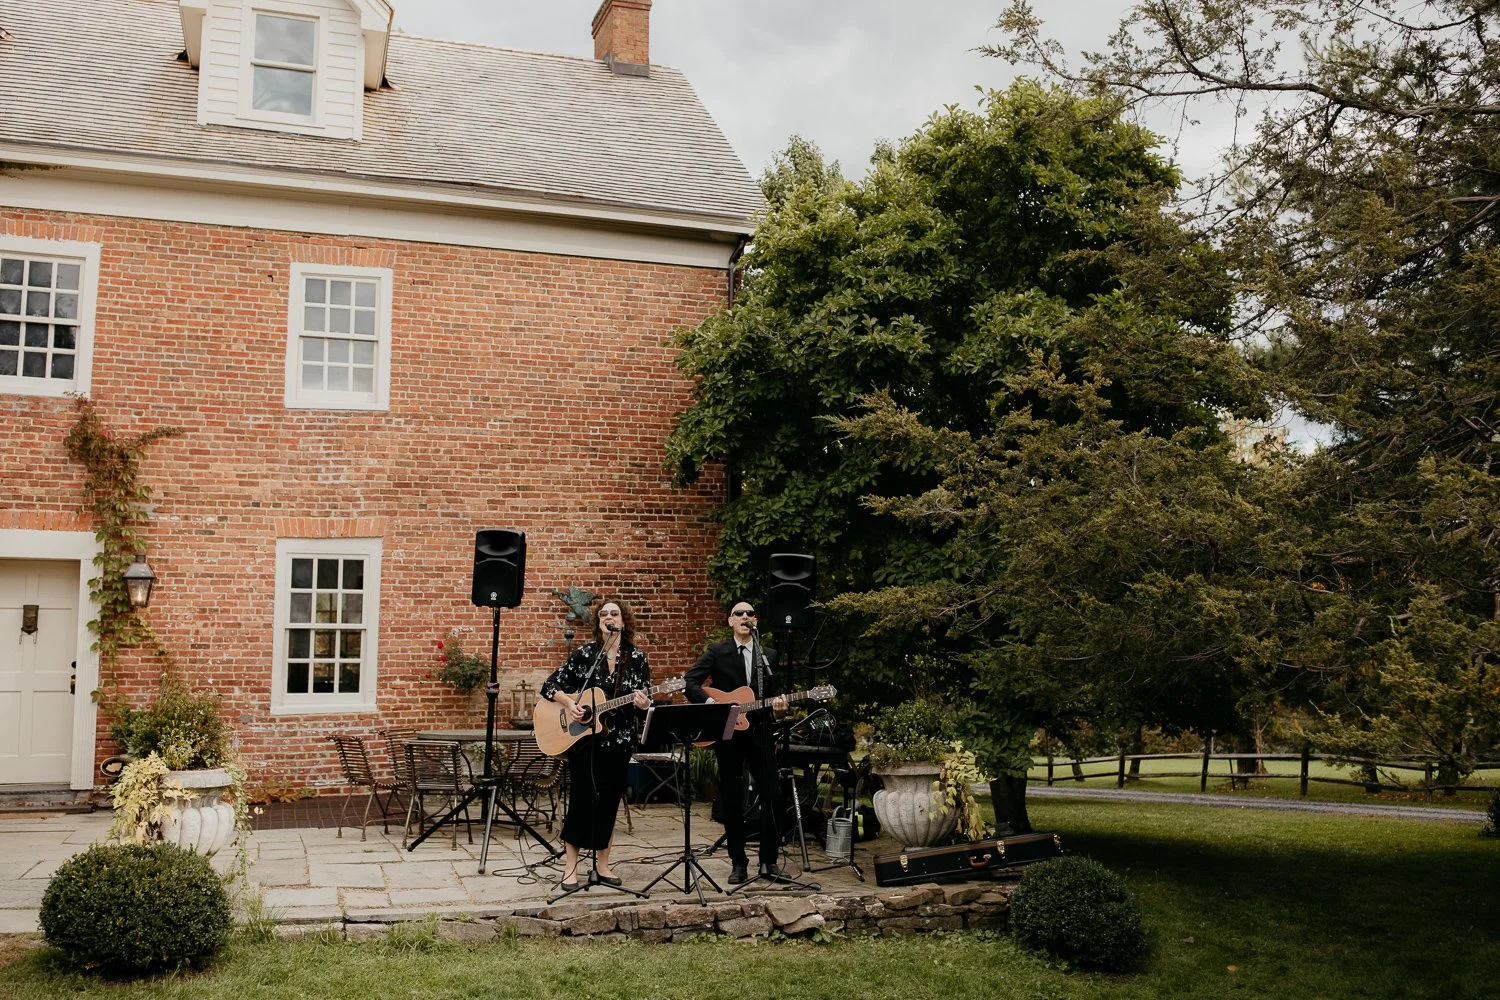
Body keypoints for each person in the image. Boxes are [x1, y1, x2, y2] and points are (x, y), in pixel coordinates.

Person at [538, 599, 651, 891]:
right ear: (598, 622)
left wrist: (644, 702)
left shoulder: (636, 657)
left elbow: (644, 703)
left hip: (620, 741)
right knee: (581, 801)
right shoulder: (585, 654)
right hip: (585, 743)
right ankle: (571, 868)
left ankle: (602, 865)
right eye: (604, 614)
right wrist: (571, 703)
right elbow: (550, 686)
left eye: (615, 613)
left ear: (623, 621)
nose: (609, 617)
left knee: (609, 803)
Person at [685, 600, 789, 884]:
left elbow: (775, 696)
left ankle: (768, 861)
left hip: (760, 733)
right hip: (728, 733)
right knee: (732, 797)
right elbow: (690, 681)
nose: (746, 616)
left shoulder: (769, 655)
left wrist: (779, 709)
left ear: (756, 622)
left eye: (751, 613)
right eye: (739, 613)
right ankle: (738, 863)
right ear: (730, 621)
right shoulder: (718, 652)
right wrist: (711, 704)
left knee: (771, 795)